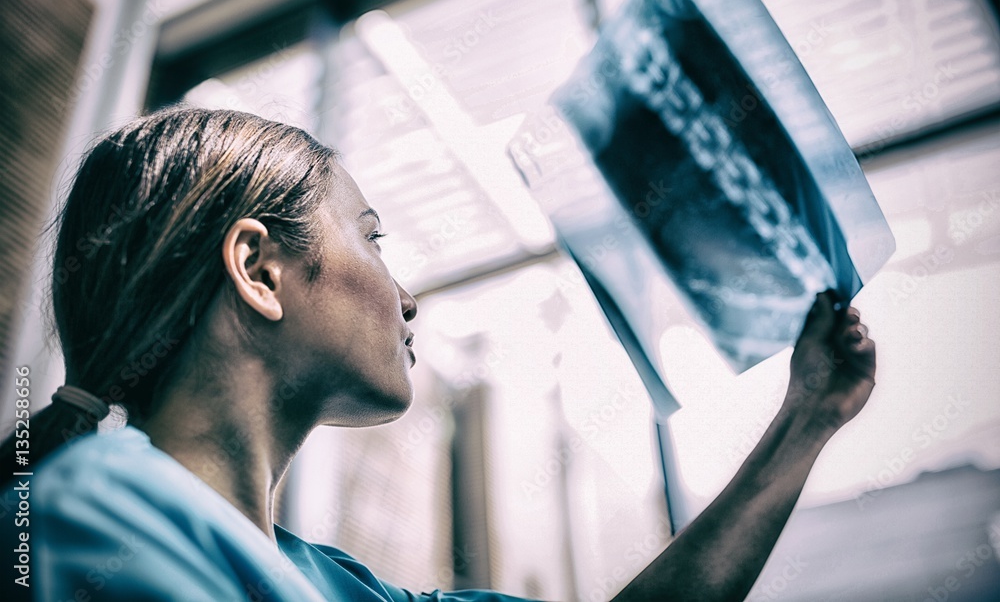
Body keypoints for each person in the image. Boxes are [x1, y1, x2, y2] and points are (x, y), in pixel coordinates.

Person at [0, 107, 876, 601]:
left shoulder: (344, 586)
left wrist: (807, 420)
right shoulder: (86, 521)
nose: (407, 296)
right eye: (371, 238)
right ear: (260, 268)